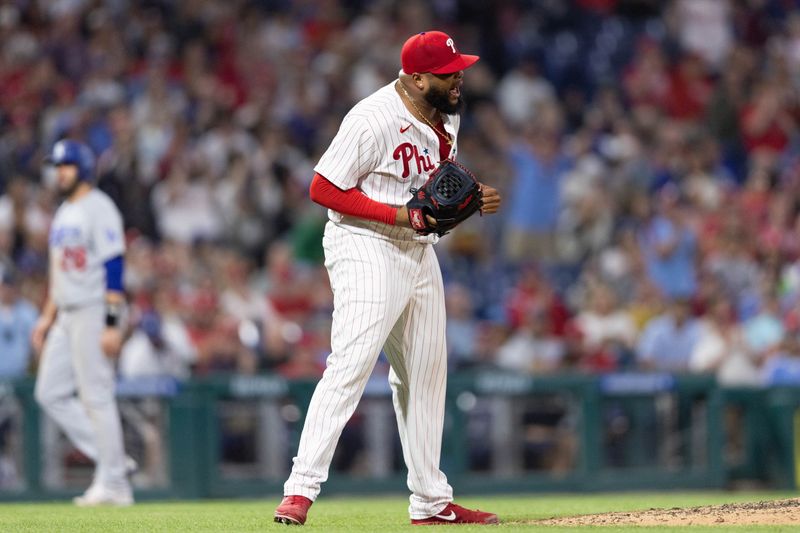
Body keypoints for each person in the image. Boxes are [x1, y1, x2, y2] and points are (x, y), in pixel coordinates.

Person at [273, 31, 501, 526]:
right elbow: (323, 187)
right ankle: (300, 491)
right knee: (353, 362)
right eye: (448, 72)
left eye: (459, 68)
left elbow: (433, 192)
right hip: (364, 244)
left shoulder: (447, 116)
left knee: (424, 372)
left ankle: (431, 502)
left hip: (417, 251)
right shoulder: (372, 118)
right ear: (417, 79)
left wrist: (469, 198)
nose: (459, 77)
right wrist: (400, 217)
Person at [31, 140, 133, 506]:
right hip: (65, 312)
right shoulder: (63, 211)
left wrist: (111, 322)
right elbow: (56, 271)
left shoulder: (99, 206)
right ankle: (114, 461)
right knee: (49, 392)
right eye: (57, 166)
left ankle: (116, 485)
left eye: (67, 165)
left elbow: (114, 266)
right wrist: (46, 317)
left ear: (83, 168)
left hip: (92, 309)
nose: (60, 172)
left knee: (96, 396)